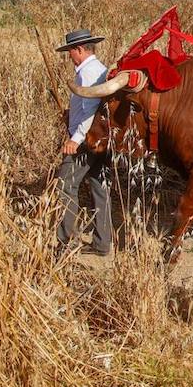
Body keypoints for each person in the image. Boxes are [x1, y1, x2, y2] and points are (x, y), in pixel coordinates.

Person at [55, 28, 113, 257]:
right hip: (100, 139)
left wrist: (75, 139)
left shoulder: (88, 73)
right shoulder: (99, 69)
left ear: (79, 49)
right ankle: (102, 243)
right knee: (99, 187)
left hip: (87, 141)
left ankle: (65, 242)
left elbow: (90, 110)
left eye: (70, 51)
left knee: (65, 185)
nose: (69, 56)